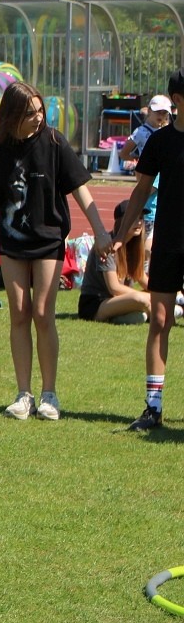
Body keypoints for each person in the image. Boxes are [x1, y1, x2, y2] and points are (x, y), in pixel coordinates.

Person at [0, 81, 110, 421]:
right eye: (29, 113)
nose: (37, 118)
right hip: (12, 241)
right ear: (12, 116)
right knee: (18, 313)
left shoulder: (53, 142)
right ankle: (24, 394)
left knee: (42, 312)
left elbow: (81, 192)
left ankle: (50, 394)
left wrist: (101, 232)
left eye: (39, 111)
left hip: (49, 240)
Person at [108, 69, 184, 431]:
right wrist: (122, 234)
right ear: (178, 100)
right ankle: (153, 408)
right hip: (169, 243)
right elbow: (140, 192)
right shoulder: (161, 141)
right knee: (159, 320)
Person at [78, 200, 151, 323]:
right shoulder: (107, 245)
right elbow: (114, 288)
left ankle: (125, 317)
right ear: (121, 221)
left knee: (148, 301)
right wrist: (148, 297)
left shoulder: (133, 247)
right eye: (134, 218)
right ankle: (162, 313)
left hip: (117, 301)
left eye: (141, 218)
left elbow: (143, 279)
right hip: (96, 304)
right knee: (140, 298)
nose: (139, 222)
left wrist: (163, 294)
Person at [119, 94, 173, 170]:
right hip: (147, 174)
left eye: (164, 112)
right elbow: (123, 154)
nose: (161, 115)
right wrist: (139, 162)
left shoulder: (168, 132)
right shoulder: (140, 132)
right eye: (158, 111)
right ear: (149, 111)